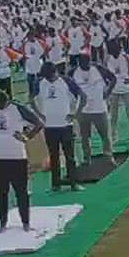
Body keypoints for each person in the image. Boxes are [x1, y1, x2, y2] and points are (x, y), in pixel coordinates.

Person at [0, 88, 44, 230]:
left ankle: (25, 222)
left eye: (4, 102)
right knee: (1, 191)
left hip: (16, 155)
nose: (2, 105)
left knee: (21, 190)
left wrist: (26, 137)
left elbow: (39, 123)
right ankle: (3, 223)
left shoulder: (18, 108)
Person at [31, 62, 85, 193]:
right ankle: (56, 184)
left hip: (65, 125)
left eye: (49, 76)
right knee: (53, 155)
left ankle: (74, 183)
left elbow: (83, 96)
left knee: (69, 156)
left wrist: (75, 114)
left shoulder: (66, 81)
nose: (47, 79)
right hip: (49, 126)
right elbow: (31, 98)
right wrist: (39, 114)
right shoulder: (40, 82)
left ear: (55, 72)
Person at [72, 51, 118, 163]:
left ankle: (108, 156)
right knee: (85, 137)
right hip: (83, 110)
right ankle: (87, 158)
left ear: (90, 61)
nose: (83, 64)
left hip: (99, 109)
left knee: (105, 136)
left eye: (86, 62)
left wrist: (107, 92)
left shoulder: (98, 69)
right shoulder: (73, 72)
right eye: (81, 62)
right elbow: (70, 87)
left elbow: (113, 78)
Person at [105, 44, 129, 147]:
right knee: (113, 115)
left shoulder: (125, 57)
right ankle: (113, 136)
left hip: (126, 88)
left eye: (112, 49)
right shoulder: (108, 58)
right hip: (114, 90)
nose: (111, 52)